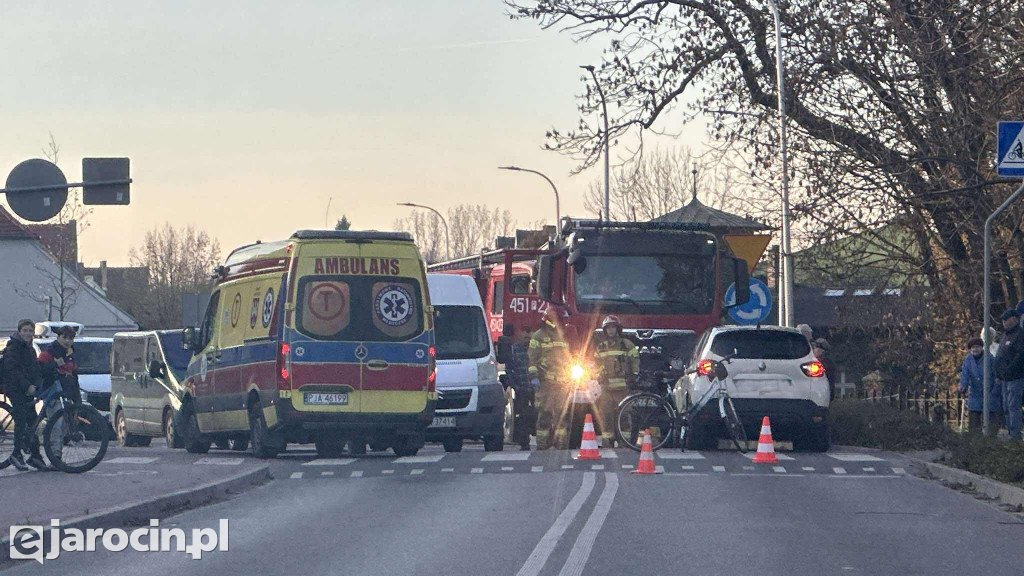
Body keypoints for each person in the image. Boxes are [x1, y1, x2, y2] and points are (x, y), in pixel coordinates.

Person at [1, 319, 46, 471]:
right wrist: (27, 385)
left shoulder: (30, 349)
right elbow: (12, 371)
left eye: (30, 331)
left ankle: (35, 455)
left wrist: (38, 382)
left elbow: (34, 369)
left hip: (27, 390)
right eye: (25, 330)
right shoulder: (13, 348)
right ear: (19, 331)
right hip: (14, 388)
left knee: (33, 420)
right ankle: (16, 454)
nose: (28, 333)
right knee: (21, 419)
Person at [528, 308, 571, 450]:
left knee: (562, 415)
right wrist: (534, 377)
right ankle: (542, 445)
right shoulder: (538, 336)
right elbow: (532, 359)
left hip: (563, 383)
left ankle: (561, 444)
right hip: (546, 383)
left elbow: (569, 357)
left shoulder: (563, 336)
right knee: (545, 414)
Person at [594, 315, 639, 446]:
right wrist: (599, 374)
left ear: (618, 329)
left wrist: (634, 375)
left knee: (624, 415)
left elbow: (635, 361)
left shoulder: (627, 345)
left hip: (623, 389)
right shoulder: (601, 347)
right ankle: (607, 442)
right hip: (606, 389)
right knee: (606, 416)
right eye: (608, 328)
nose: (611, 330)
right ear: (605, 330)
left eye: (613, 327)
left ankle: (624, 442)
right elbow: (595, 365)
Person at [499, 324, 535, 450]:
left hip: (535, 389)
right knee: (522, 415)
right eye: (525, 336)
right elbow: (509, 370)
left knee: (537, 413)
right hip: (522, 389)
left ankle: (541, 440)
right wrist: (515, 386)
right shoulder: (514, 350)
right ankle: (524, 442)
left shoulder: (535, 350)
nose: (527, 339)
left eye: (529, 337)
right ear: (520, 336)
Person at [960, 337, 1003, 433]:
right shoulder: (968, 359)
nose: (975, 349)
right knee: (974, 420)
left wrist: (995, 390)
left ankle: (991, 437)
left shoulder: (990, 358)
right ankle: (975, 437)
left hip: (990, 392)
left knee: (991, 419)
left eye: (977, 347)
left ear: (981, 347)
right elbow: (965, 374)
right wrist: (963, 387)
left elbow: (997, 375)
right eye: (973, 347)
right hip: (975, 393)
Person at [995, 309, 1024, 440]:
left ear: (1014, 319)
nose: (1004, 322)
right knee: (1006, 406)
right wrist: (999, 373)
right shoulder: (1005, 335)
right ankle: (1010, 432)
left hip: (1015, 377)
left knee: (1013, 405)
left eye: (1006, 320)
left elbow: (1020, 356)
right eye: (1003, 320)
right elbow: (1000, 354)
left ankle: (1015, 435)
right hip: (1004, 378)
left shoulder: (1020, 335)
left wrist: (1009, 370)